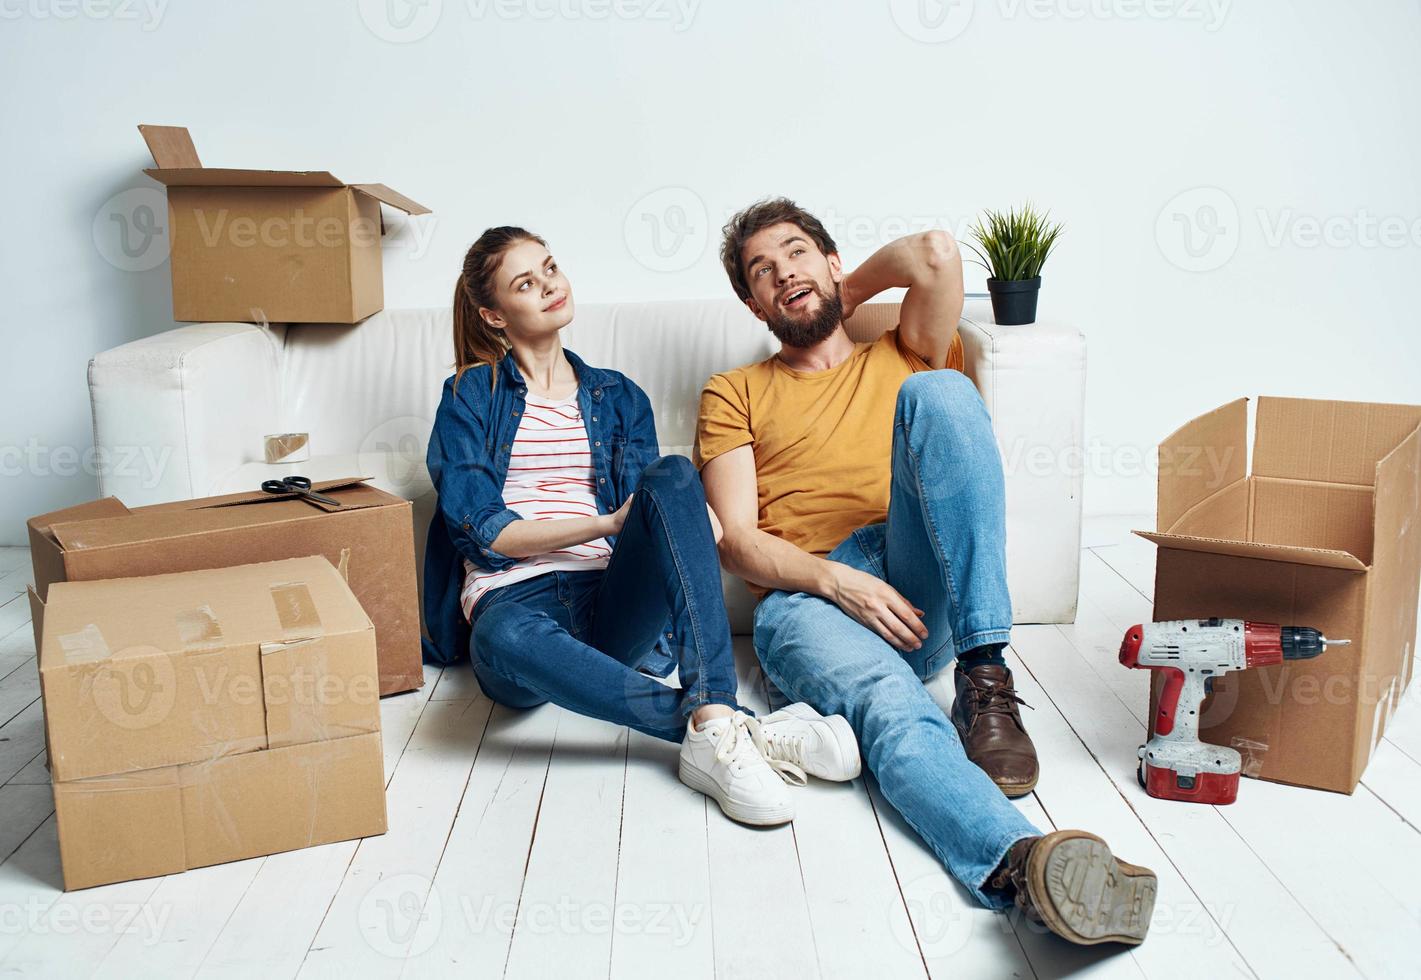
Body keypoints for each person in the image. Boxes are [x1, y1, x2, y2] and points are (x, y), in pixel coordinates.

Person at [695, 199, 1157, 944]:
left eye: (797, 254)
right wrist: (836, 580)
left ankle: (983, 677)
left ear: (833, 264)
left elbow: (937, 253)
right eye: (762, 270)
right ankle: (1021, 865)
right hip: (806, 596)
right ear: (752, 301)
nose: (784, 272)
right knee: (888, 703)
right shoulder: (734, 391)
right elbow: (737, 543)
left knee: (941, 390)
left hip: (912, 570)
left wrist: (846, 297)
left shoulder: (901, 349)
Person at [421, 226, 861, 827]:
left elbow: (649, 516)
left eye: (550, 267)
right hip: (517, 605)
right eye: (526, 283)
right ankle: (730, 725)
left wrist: (685, 519)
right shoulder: (471, 394)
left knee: (677, 474)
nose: (549, 285)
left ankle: (712, 715)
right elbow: (483, 532)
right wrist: (604, 521)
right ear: (494, 315)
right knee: (496, 639)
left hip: (612, 603)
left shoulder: (618, 396)